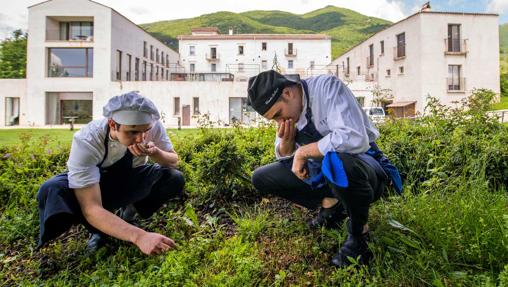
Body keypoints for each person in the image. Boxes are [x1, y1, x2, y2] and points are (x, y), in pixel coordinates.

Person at [248, 70, 402, 267]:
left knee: (337, 161)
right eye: (274, 120)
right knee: (261, 177)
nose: (280, 122)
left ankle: (359, 236)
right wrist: (286, 145)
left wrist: (303, 151)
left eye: (278, 114)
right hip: (323, 172)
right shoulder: (289, 113)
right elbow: (284, 155)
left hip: (363, 166)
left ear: (288, 93)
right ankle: (332, 206)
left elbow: (355, 137)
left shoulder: (327, 87)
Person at [37, 91, 185, 255]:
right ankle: (99, 231)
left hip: (129, 177)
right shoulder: (88, 140)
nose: (140, 138)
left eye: (145, 131)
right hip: (95, 185)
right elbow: (91, 207)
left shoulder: (152, 126)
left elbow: (173, 161)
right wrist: (140, 237)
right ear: (113, 124)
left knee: (173, 178)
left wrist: (155, 152)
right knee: (52, 189)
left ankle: (128, 215)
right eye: (132, 132)